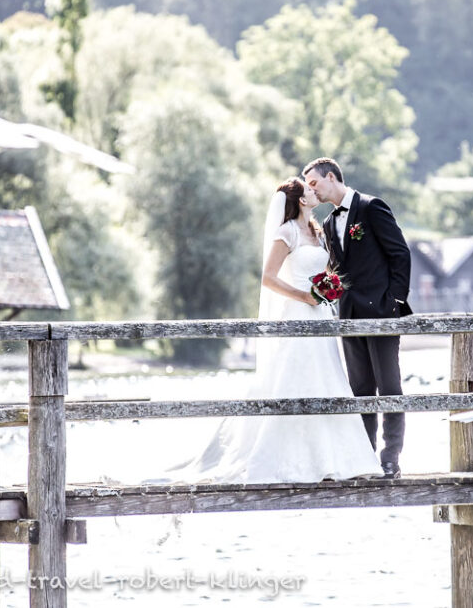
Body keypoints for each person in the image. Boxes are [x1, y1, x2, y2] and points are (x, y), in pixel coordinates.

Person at [165, 178, 381, 483]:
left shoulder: (317, 232)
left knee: (327, 377)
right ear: (301, 200)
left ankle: (337, 457)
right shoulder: (286, 232)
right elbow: (268, 278)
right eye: (308, 189)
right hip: (298, 312)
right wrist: (304, 296)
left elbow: (325, 269)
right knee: (294, 378)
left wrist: (327, 289)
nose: (313, 190)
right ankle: (293, 459)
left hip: (321, 316)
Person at [302, 158, 412, 479]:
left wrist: (393, 301)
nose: (312, 190)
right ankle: (365, 456)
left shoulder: (371, 207)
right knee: (360, 388)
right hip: (348, 317)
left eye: (313, 183)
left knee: (389, 387)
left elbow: (399, 253)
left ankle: (391, 457)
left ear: (331, 177)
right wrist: (323, 294)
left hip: (381, 313)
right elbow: (337, 270)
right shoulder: (328, 222)